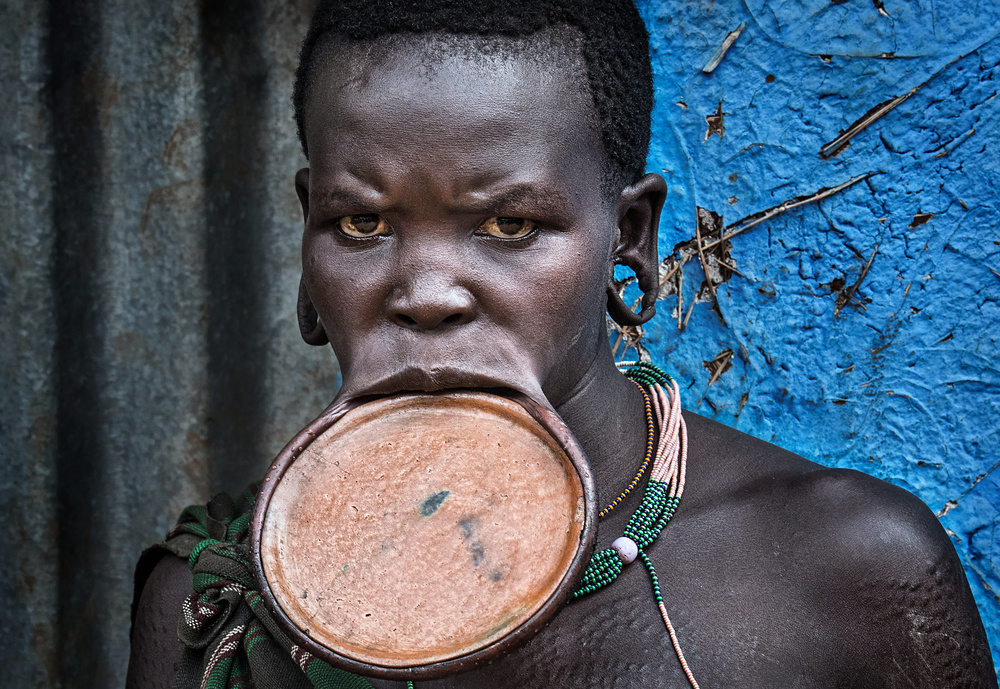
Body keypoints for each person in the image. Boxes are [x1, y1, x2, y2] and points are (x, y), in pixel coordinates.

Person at [127, 1, 998, 687]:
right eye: (362, 223)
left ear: (631, 237)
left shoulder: (851, 574)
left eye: (510, 223)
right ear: (307, 237)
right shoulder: (214, 610)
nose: (426, 293)